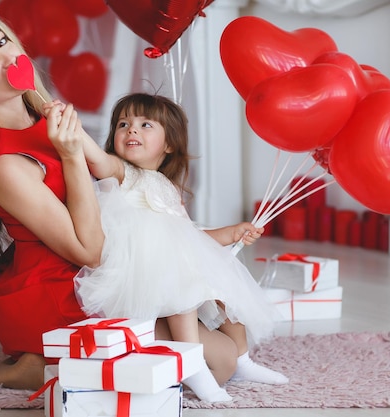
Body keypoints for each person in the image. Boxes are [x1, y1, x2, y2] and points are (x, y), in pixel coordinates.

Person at [0, 9, 240, 391]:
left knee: (222, 317)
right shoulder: (5, 166)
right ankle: (42, 364)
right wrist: (70, 156)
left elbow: (108, 176)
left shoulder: (40, 115)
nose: (8, 58)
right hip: (61, 288)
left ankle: (51, 359)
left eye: (3, 42)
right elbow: (90, 251)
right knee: (219, 359)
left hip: (100, 268)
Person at [70, 93, 289, 401]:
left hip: (175, 263)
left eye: (145, 124)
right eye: (123, 124)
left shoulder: (167, 187)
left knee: (225, 285)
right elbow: (96, 158)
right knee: (180, 280)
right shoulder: (123, 173)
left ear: (169, 145)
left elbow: (188, 236)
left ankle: (242, 359)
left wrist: (231, 233)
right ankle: (192, 363)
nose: (132, 130)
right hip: (145, 271)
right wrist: (73, 127)